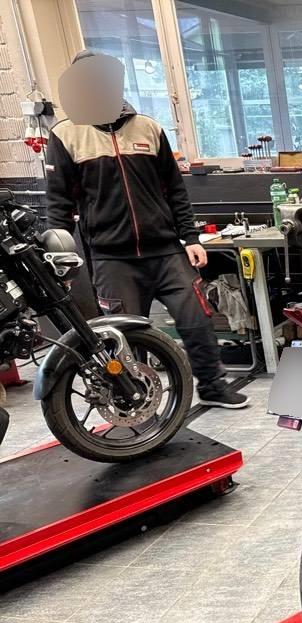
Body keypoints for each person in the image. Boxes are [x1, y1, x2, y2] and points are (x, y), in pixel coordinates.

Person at [45, 50, 248, 408]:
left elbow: (175, 190)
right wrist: (59, 262)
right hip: (112, 258)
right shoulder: (65, 135)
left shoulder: (149, 129)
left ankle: (213, 388)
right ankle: (135, 402)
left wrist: (190, 238)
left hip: (167, 251)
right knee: (125, 337)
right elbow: (59, 204)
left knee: (197, 320)